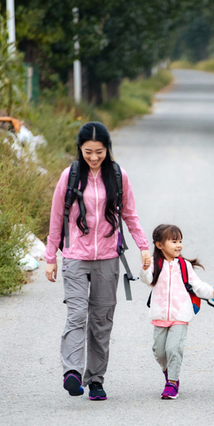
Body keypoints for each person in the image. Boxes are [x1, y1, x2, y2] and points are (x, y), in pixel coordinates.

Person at [45, 121, 151, 401]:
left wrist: (143, 246)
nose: (94, 157)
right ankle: (72, 373)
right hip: (75, 257)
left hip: (107, 257)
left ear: (108, 149)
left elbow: (130, 214)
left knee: (101, 321)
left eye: (100, 152)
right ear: (80, 149)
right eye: (88, 151)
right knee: (77, 315)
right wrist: (50, 257)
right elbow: (57, 217)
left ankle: (96, 380)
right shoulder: (69, 176)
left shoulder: (117, 175)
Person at [140, 224, 214, 400]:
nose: (179, 245)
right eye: (173, 241)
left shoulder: (184, 265)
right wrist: (145, 267)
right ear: (159, 245)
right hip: (159, 315)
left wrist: (213, 291)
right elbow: (147, 279)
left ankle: (172, 382)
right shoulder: (156, 265)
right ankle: (168, 373)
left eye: (180, 241)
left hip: (180, 315)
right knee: (159, 351)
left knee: (173, 349)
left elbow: (198, 286)